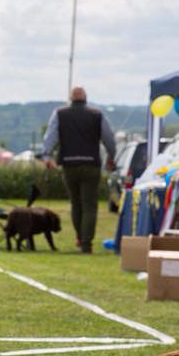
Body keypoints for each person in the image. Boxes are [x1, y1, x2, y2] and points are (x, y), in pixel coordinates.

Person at [42, 85, 116, 253]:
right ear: (85, 98)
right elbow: (109, 138)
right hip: (91, 165)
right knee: (90, 205)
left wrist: (47, 156)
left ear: (71, 99)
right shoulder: (97, 114)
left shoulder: (60, 114)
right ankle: (86, 243)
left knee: (75, 203)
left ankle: (79, 236)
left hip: (69, 165)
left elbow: (50, 137)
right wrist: (111, 157)